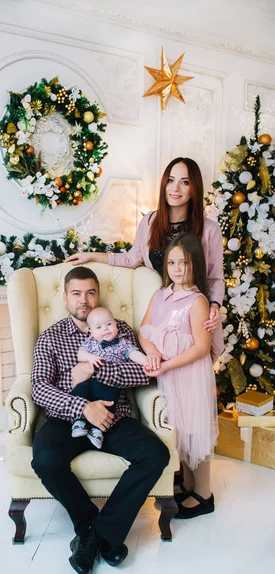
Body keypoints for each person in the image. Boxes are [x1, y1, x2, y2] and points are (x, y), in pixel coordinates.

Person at [31, 266, 169, 574]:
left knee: (155, 455)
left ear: (98, 295)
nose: (85, 300)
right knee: (45, 459)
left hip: (114, 417)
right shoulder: (51, 337)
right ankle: (90, 528)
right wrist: (83, 406)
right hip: (67, 420)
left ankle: (100, 534)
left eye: (91, 292)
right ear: (65, 297)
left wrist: (96, 371)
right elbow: (39, 386)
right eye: (77, 293)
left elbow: (141, 373)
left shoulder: (117, 329)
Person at [65, 157, 224, 360]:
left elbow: (215, 278)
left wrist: (214, 306)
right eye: (170, 180)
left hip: (193, 314)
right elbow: (133, 258)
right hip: (162, 313)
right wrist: (91, 255)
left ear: (195, 187)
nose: (175, 188)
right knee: (162, 372)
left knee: (192, 372)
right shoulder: (150, 221)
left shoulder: (209, 229)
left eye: (185, 182)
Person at [139, 233, 218, 519]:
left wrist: (168, 363)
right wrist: (152, 354)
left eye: (183, 262)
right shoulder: (160, 295)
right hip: (167, 371)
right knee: (180, 428)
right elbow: (144, 329)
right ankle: (187, 483)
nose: (177, 268)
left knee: (197, 428)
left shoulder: (196, 301)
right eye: (172, 262)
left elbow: (201, 346)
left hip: (189, 373)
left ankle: (204, 494)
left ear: (195, 264)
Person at [72, 306, 147, 449]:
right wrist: (89, 357)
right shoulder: (90, 342)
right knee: (80, 389)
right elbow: (80, 354)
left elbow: (134, 354)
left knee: (110, 400)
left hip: (109, 383)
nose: (105, 329)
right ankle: (79, 422)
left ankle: (98, 430)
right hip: (89, 381)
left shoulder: (123, 343)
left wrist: (147, 362)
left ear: (116, 325)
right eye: (99, 327)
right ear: (91, 332)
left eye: (109, 324)